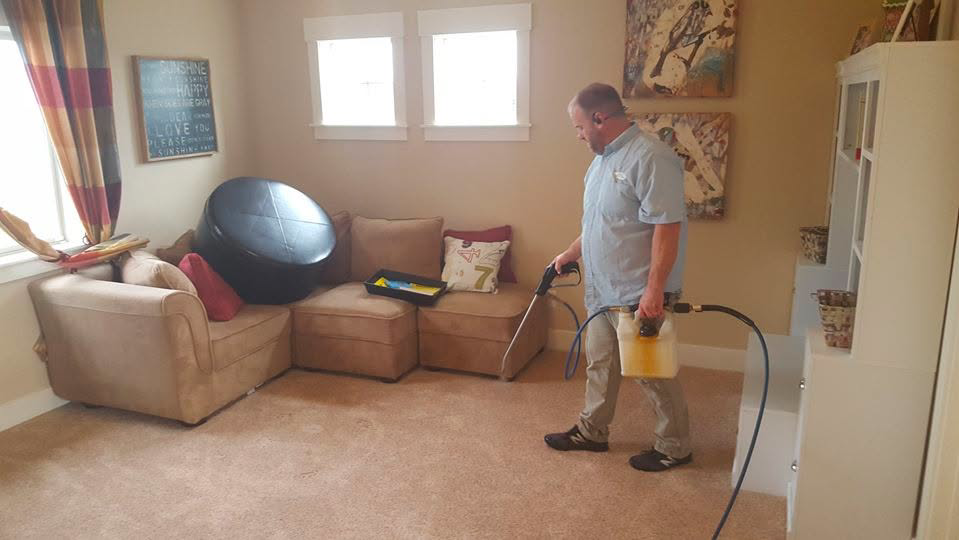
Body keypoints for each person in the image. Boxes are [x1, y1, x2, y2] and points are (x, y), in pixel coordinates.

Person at [544, 83, 692, 472]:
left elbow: (667, 228)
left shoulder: (652, 158)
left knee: (651, 372)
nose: (578, 136)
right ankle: (592, 433)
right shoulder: (601, 161)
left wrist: (654, 291)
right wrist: (570, 253)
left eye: (579, 128)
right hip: (602, 289)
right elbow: (600, 223)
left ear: (599, 118)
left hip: (637, 291)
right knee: (601, 364)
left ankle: (675, 446)